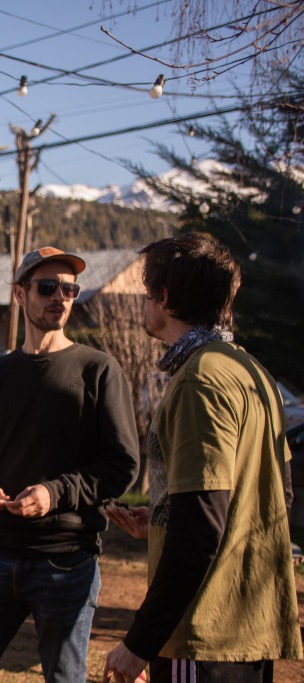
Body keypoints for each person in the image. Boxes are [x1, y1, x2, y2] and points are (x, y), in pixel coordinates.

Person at [102, 233, 302, 683]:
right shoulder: (251, 371)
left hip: (202, 633)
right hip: (250, 626)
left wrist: (139, 642)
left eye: (146, 292)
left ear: (165, 297)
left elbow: (201, 529)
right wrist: (162, 515)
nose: (144, 304)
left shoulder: (199, 381)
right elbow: (277, 495)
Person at [0, 246, 140, 683]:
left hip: (67, 561)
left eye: (70, 289)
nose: (60, 297)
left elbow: (123, 464)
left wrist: (54, 493)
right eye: (47, 287)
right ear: (19, 295)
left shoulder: (99, 371)